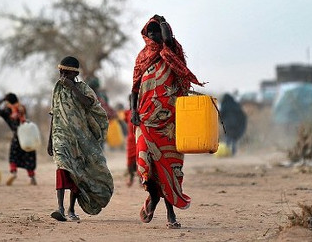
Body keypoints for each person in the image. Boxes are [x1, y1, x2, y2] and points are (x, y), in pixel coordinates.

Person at [130, 15, 203, 229]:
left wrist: (162, 23)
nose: (153, 36)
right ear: (145, 35)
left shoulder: (172, 54)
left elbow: (168, 39)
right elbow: (134, 89)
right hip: (144, 121)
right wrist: (133, 111)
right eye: (150, 32)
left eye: (157, 32)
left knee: (169, 169)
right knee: (147, 167)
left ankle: (171, 214)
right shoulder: (142, 57)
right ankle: (153, 199)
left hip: (170, 125)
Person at [50, 56, 113, 222]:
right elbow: (54, 114)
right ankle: (60, 208)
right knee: (62, 168)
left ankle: (71, 209)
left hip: (80, 139)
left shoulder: (83, 88)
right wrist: (51, 140)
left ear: (74, 74)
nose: (63, 75)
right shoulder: (57, 89)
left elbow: (89, 104)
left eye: (66, 73)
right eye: (61, 72)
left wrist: (73, 88)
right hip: (60, 136)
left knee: (77, 173)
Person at [0, 93, 37, 185]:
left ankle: (14, 172)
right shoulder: (22, 108)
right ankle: (32, 177)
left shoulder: (7, 111)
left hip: (17, 136)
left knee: (13, 155)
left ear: (7, 101)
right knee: (29, 155)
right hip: (27, 135)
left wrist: (2, 100)